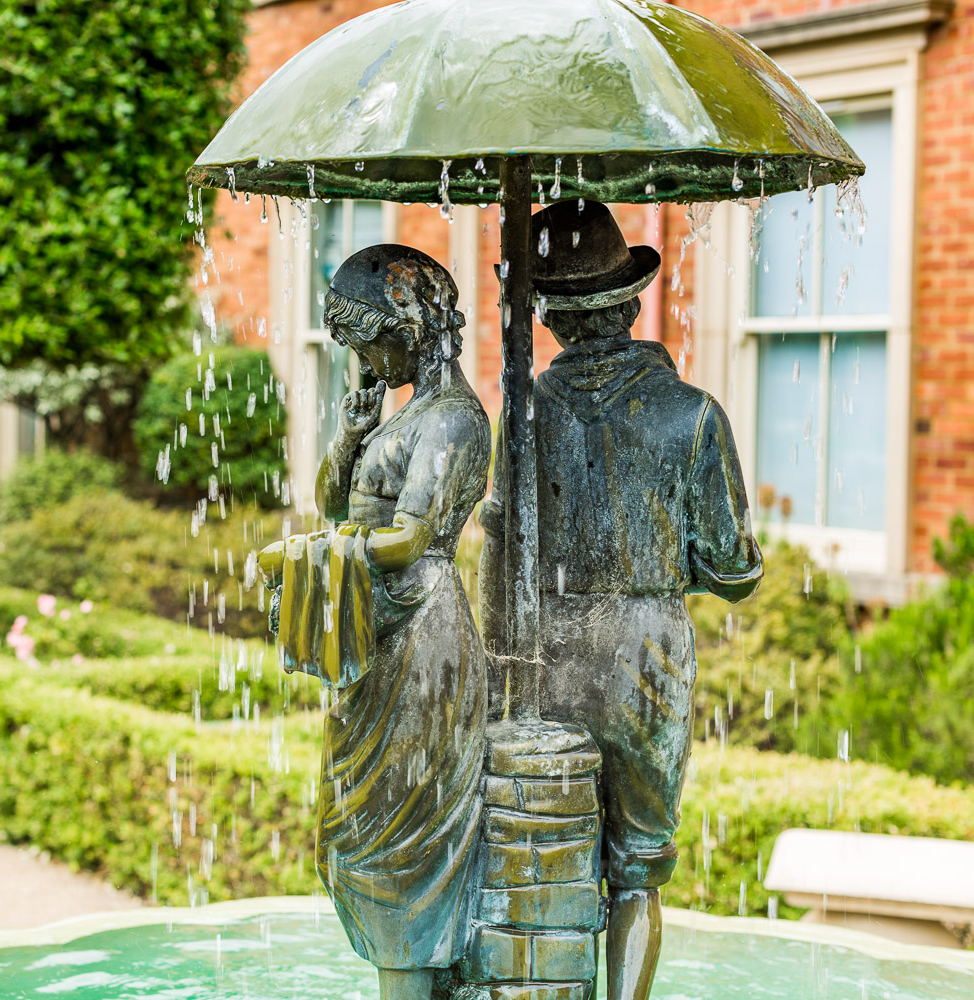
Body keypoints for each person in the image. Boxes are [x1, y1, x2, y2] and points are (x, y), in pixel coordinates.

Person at [479, 200, 763, 1000]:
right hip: (645, 652)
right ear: (632, 305)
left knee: (549, 846)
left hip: (546, 650)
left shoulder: (523, 410)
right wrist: (673, 558)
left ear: (550, 320)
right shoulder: (693, 414)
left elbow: (500, 545)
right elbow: (735, 569)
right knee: (638, 868)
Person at [257, 245, 490, 1000]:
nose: (361, 359)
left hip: (422, 636)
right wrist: (351, 433)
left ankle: (415, 979)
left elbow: (409, 539)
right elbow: (335, 504)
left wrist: (306, 555)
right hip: (379, 628)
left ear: (410, 328)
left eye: (367, 341)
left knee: (401, 843)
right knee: (358, 831)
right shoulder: (405, 414)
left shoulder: (453, 421)